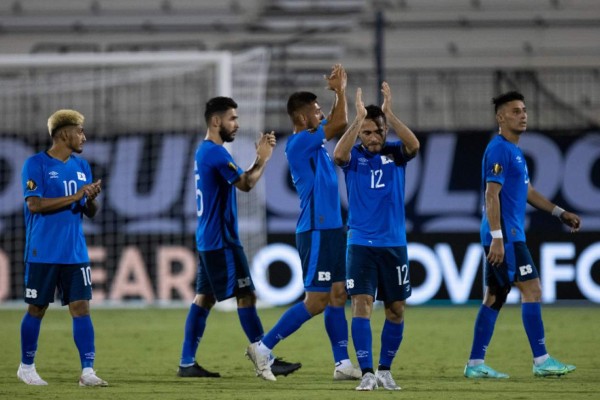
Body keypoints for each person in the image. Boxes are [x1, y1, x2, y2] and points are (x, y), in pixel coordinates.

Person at [246, 64, 361, 382]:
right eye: (316, 110)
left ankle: (341, 364)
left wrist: (338, 96)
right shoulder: (299, 143)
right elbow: (341, 121)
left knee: (339, 294)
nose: (321, 113)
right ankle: (264, 348)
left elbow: (337, 123)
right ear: (301, 117)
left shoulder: (317, 146)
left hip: (332, 229)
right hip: (317, 230)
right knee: (316, 301)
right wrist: (340, 91)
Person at [177, 96, 301, 378]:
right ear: (216, 120)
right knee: (246, 295)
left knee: (204, 299)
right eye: (232, 118)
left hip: (208, 238)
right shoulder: (216, 153)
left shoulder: (204, 151)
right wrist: (263, 158)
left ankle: (186, 363)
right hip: (221, 240)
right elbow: (245, 184)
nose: (237, 124)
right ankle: (264, 357)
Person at [464, 91, 581, 379]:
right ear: (500, 117)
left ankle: (476, 364)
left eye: (524, 110)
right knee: (532, 290)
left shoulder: (514, 151)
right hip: (507, 235)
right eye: (515, 111)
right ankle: (541, 360)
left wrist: (559, 212)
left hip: (508, 234)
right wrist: (498, 237)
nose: (523, 114)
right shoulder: (499, 149)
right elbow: (492, 194)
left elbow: (526, 191)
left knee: (496, 295)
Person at [332, 83, 420, 391]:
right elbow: (337, 155)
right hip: (360, 244)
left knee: (396, 309)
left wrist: (390, 114)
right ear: (360, 134)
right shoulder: (354, 157)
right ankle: (367, 372)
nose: (373, 137)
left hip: (394, 245)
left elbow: (415, 145)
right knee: (362, 304)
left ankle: (384, 370)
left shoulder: (396, 154)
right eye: (367, 132)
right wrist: (357, 119)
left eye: (378, 131)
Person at [18, 109, 107, 387]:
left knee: (81, 307)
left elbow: (89, 211)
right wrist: (78, 195)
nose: (84, 136)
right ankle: (27, 367)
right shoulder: (36, 164)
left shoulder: (82, 167)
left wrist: (90, 198)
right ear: (64, 133)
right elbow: (35, 204)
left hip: (75, 252)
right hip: (42, 250)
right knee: (37, 307)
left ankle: (88, 371)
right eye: (80, 130)